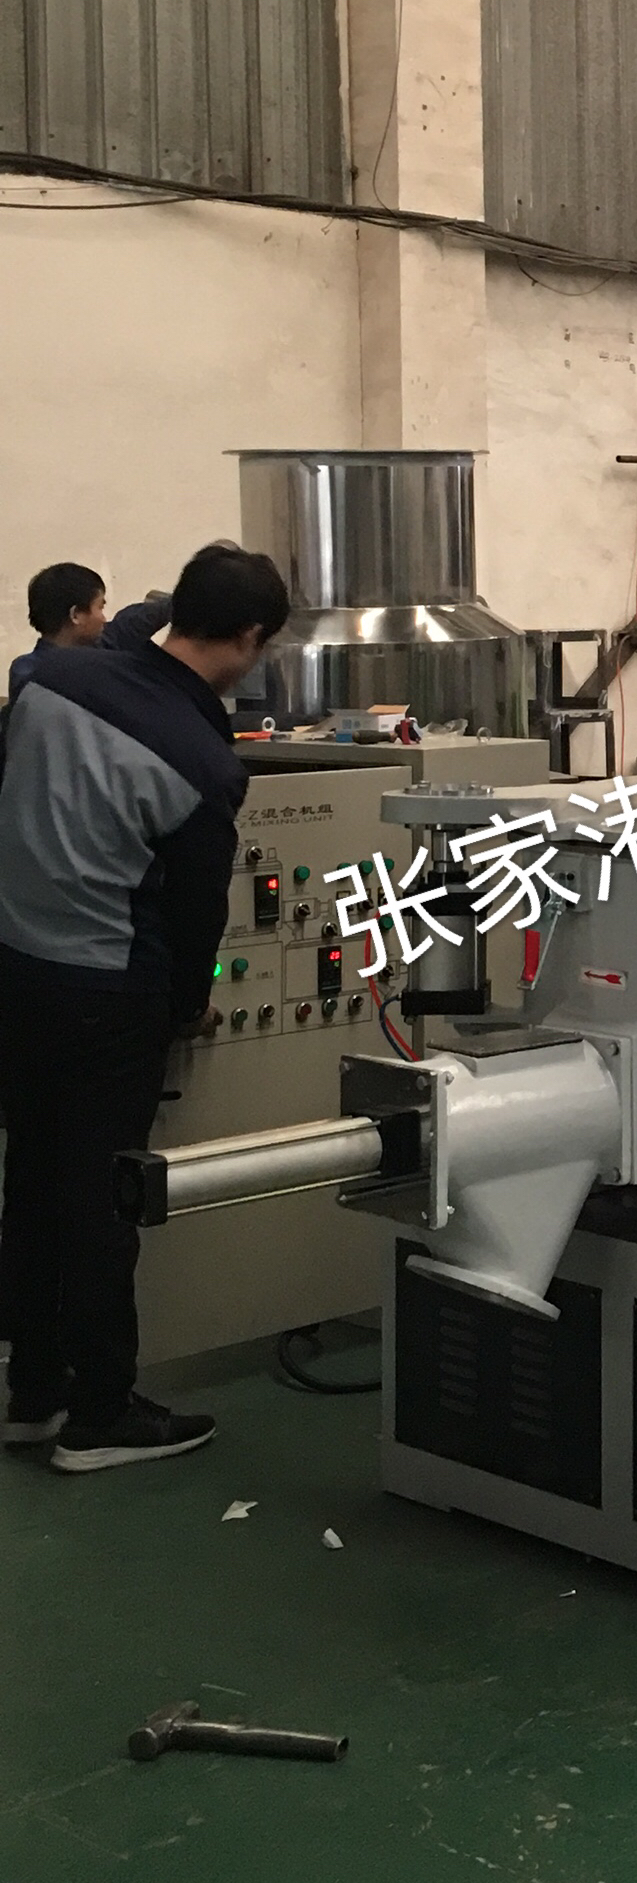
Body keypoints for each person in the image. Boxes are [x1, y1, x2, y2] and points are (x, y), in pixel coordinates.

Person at [0, 540, 290, 1470]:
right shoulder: (203, 763)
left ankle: (33, 1393)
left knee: (31, 1186)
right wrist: (185, 1006)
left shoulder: (50, 681)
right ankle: (101, 1413)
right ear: (249, 638)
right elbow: (196, 914)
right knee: (101, 1202)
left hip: (19, 973)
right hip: (107, 993)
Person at [10, 563, 111, 695]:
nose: (103, 619)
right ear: (75, 615)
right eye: (100, 607)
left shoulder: (25, 668)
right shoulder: (31, 673)